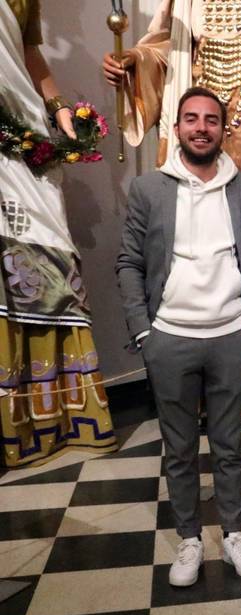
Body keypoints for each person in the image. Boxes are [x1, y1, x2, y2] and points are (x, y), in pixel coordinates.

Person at [101, 0, 241, 437]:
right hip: (197, 111)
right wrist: (134, 61)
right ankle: (193, 380)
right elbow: (166, 45)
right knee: (188, 242)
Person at [116, 88, 241, 587]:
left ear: (225, 129)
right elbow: (130, 262)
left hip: (231, 335)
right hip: (169, 337)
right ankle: (189, 540)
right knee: (178, 450)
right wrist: (143, 330)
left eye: (212, 120)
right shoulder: (148, 189)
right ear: (176, 128)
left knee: (229, 446)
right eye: (191, 119)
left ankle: (235, 534)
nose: (202, 127)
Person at [0, 0, 116, 466]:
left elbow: (27, 51)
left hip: (18, 132)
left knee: (49, 260)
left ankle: (53, 420)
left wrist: (59, 107)